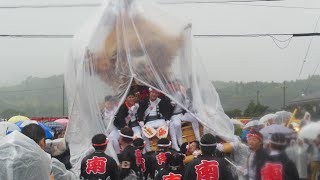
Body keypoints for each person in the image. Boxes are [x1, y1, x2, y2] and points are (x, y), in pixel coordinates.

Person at [169, 82, 200, 151]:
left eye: (181, 86)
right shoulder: (173, 94)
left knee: (194, 118)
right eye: (177, 86)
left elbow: (187, 106)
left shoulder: (185, 94)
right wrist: (172, 104)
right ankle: (180, 144)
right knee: (177, 124)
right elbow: (170, 106)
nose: (181, 88)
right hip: (174, 115)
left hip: (182, 113)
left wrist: (185, 96)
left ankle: (198, 139)